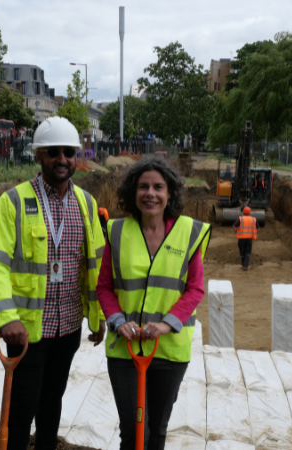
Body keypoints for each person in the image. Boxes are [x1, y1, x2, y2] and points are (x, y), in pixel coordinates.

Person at [0, 116, 106, 450]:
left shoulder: (87, 204)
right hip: (27, 330)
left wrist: (98, 316)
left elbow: (96, 266)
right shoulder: (14, 202)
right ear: (38, 155)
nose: (62, 159)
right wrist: (6, 319)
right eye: (53, 152)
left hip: (67, 327)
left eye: (68, 152)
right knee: (23, 408)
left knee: (53, 402)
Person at [97, 158, 211, 450]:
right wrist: (118, 322)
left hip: (170, 351)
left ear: (169, 193)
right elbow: (105, 287)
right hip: (125, 351)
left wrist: (165, 324)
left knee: (156, 432)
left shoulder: (188, 233)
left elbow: (195, 288)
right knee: (134, 433)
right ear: (133, 193)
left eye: (158, 187)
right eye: (143, 186)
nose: (151, 193)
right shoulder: (117, 232)